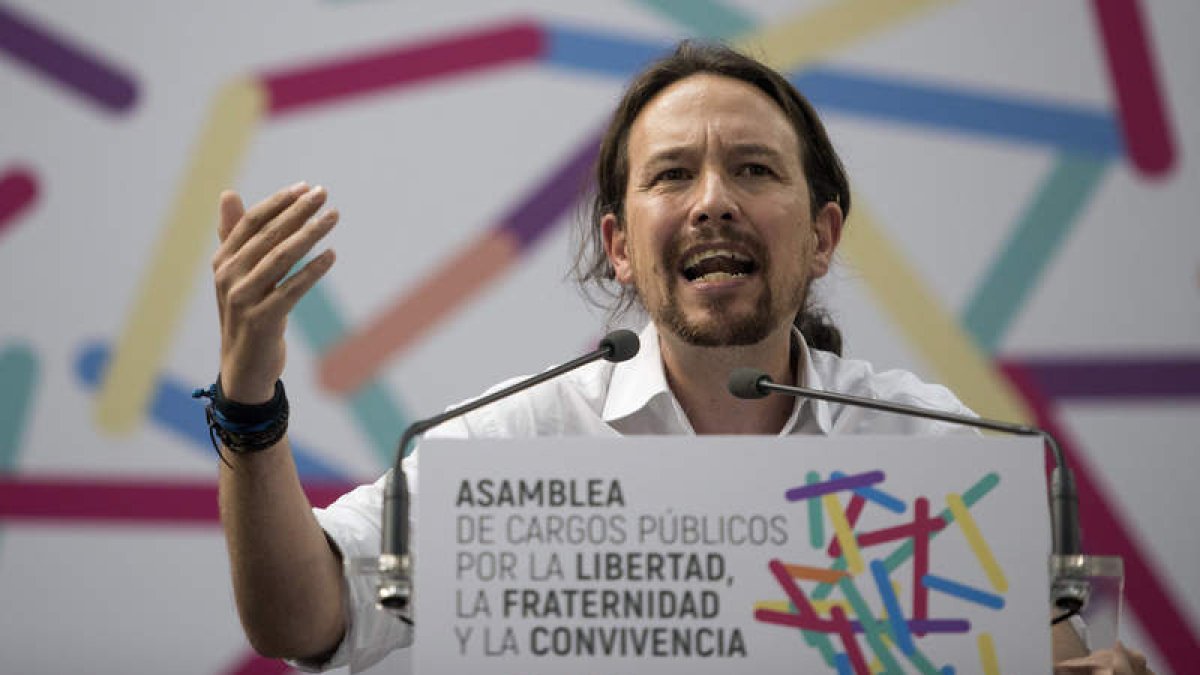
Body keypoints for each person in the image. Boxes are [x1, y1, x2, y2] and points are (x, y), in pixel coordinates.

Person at [206, 42, 1152, 673]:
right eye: (671, 174)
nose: (711, 202)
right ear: (620, 246)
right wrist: (250, 399)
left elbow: (1053, 652)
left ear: (822, 236)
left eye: (753, 168)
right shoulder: (511, 446)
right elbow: (307, 615)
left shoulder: (929, 449)